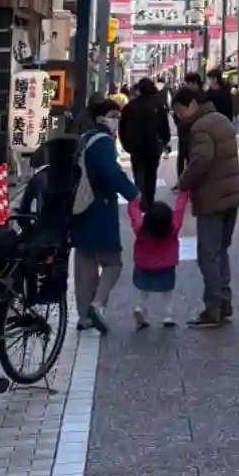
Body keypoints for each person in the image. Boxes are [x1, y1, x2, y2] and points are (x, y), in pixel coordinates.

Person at [173, 85, 239, 328]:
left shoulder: (201, 126)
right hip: (231, 195)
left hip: (213, 197)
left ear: (192, 104)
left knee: (208, 254)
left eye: (180, 111)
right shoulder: (222, 120)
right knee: (220, 251)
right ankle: (224, 301)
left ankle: (213, 308)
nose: (180, 116)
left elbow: (201, 159)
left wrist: (184, 182)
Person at [71, 96, 137, 334]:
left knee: (85, 262)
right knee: (113, 262)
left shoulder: (84, 138)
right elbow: (111, 173)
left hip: (79, 208)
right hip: (99, 207)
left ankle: (83, 316)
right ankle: (97, 305)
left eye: (118, 117)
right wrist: (133, 194)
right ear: (100, 118)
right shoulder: (104, 142)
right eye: (112, 116)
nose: (116, 121)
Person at [127, 189, 188, 328]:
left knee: (143, 288)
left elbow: (134, 214)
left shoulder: (141, 230)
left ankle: (140, 307)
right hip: (166, 265)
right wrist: (184, 194)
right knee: (167, 290)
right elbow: (179, 210)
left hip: (144, 263)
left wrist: (133, 200)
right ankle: (167, 315)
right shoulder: (173, 229)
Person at [118, 77, 170, 212]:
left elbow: (122, 128)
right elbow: (164, 127)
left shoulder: (131, 106)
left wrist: (126, 145)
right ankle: (150, 202)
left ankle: (142, 202)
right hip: (154, 147)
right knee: (151, 174)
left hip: (136, 148)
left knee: (139, 174)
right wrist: (164, 142)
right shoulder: (158, 105)